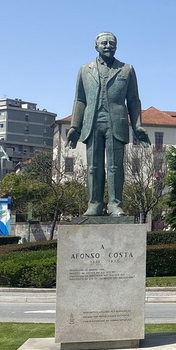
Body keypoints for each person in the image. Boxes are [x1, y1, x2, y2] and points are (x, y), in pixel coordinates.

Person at [67, 32, 147, 217]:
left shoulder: (126, 69)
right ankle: (94, 204)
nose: (108, 45)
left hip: (116, 123)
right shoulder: (84, 70)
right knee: (93, 167)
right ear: (96, 47)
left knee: (115, 166)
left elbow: (133, 100)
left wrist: (137, 125)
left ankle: (115, 204)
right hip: (92, 123)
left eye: (112, 43)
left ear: (116, 46)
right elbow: (79, 100)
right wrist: (74, 126)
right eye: (104, 43)